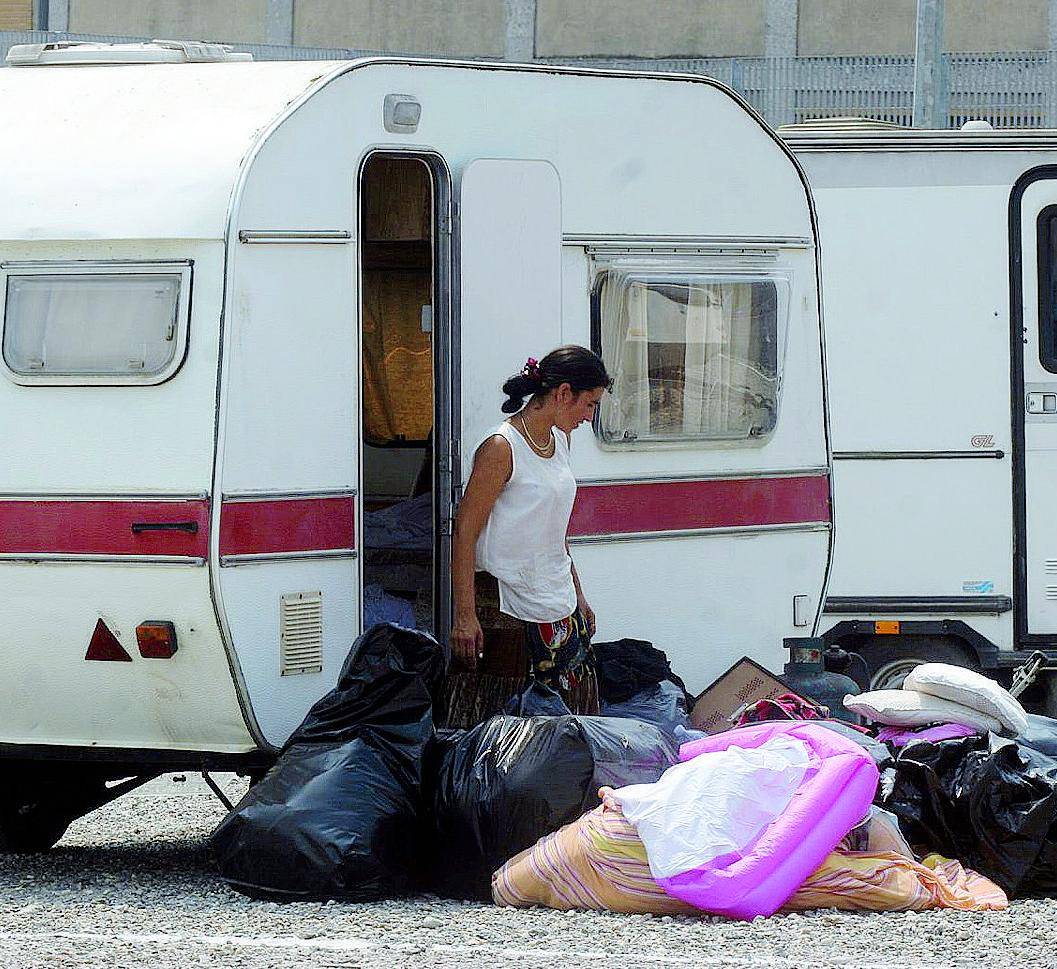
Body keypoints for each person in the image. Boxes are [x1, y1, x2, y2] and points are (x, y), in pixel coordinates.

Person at [449, 345, 611, 720]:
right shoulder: (500, 448)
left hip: (556, 597)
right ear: (563, 393)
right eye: (589, 404)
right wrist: (464, 615)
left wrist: (578, 593)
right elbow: (464, 532)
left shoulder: (561, 442)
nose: (590, 416)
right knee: (501, 717)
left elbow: (556, 530)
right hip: (506, 600)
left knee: (566, 718)